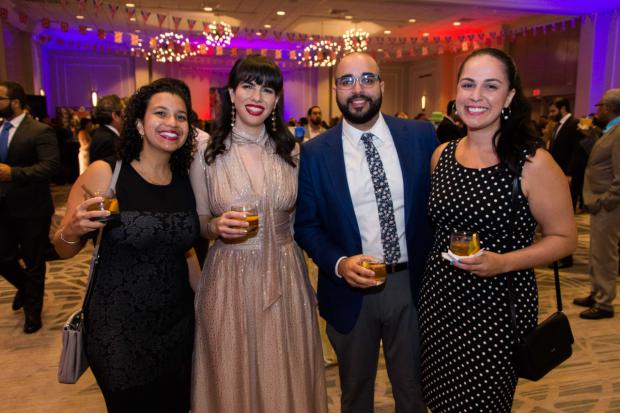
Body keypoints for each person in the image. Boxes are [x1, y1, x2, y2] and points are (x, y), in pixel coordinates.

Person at [419, 48, 577, 412]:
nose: (476, 96)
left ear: (508, 97)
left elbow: (565, 238)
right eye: (468, 84)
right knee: (440, 400)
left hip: (494, 310)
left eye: (490, 86)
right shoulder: (441, 155)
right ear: (456, 93)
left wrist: (502, 262)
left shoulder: (533, 162)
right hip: (438, 303)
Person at [294, 52, 437, 413]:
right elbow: (307, 225)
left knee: (414, 389)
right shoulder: (314, 153)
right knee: (355, 393)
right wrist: (339, 264)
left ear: (382, 85)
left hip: (411, 285)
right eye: (346, 81)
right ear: (335, 90)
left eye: (367, 79)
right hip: (349, 289)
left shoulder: (421, 136)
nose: (357, 89)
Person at [52, 78, 200, 412]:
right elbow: (61, 247)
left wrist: (207, 302)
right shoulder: (106, 174)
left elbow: (185, 250)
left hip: (177, 327)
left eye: (181, 117)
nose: (172, 123)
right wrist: (73, 229)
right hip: (118, 330)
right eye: (160, 113)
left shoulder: (185, 182)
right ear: (138, 123)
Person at [189, 55, 327, 412]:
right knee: (232, 374)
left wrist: (307, 282)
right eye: (248, 86)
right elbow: (200, 220)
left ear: (277, 100)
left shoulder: (291, 151)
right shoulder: (205, 152)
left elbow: (297, 225)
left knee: (287, 370)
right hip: (229, 278)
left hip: (285, 275)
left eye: (267, 89)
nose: (257, 96)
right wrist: (215, 226)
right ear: (232, 93)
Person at [0, 80, 60, 334]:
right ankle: (26, 287)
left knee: (34, 260)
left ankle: (32, 313)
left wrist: (13, 173)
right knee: (3, 259)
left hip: (32, 208)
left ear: (14, 102)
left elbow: (50, 167)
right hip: (2, 207)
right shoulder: (1, 129)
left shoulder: (38, 131)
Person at [574, 89, 620, 319]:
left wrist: (607, 201)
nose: (597, 109)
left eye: (600, 105)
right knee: (596, 252)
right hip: (599, 202)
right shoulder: (609, 131)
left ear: (610, 108)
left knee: (605, 254)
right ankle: (597, 291)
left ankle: (604, 303)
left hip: (608, 205)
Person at [548, 97, 586, 267]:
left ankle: (566, 257)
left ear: (562, 108)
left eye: (553, 111)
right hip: (556, 176)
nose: (550, 115)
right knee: (555, 215)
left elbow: (576, 152)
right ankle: (558, 254)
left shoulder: (574, 124)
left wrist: (569, 174)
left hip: (567, 177)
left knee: (565, 216)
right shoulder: (558, 125)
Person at [89, 94, 123, 164]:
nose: (124, 114)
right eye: (122, 111)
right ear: (115, 116)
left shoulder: (102, 133)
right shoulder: (108, 140)